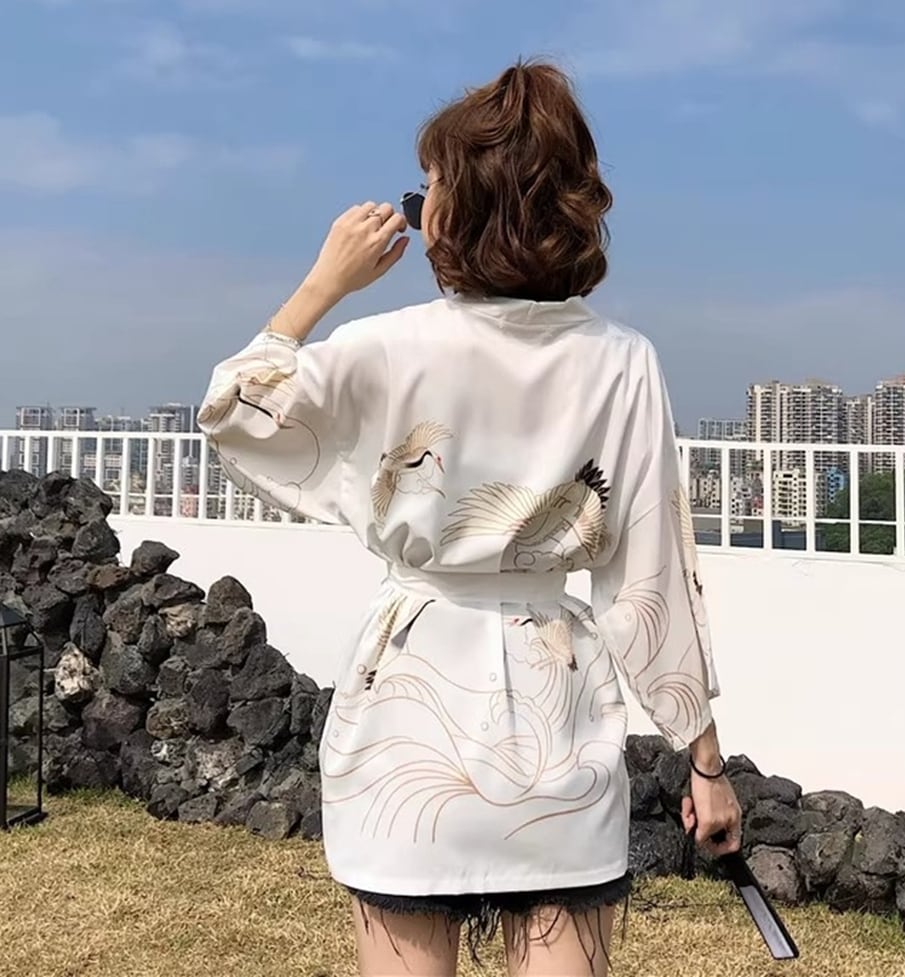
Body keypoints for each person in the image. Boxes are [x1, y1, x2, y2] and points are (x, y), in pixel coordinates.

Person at [197, 60, 742, 977]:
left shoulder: (385, 346)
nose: (418, 212)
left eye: (427, 194)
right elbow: (651, 580)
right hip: (558, 716)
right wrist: (706, 762)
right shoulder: (622, 360)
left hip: (407, 715)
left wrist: (323, 283)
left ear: (463, 210)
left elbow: (233, 408)